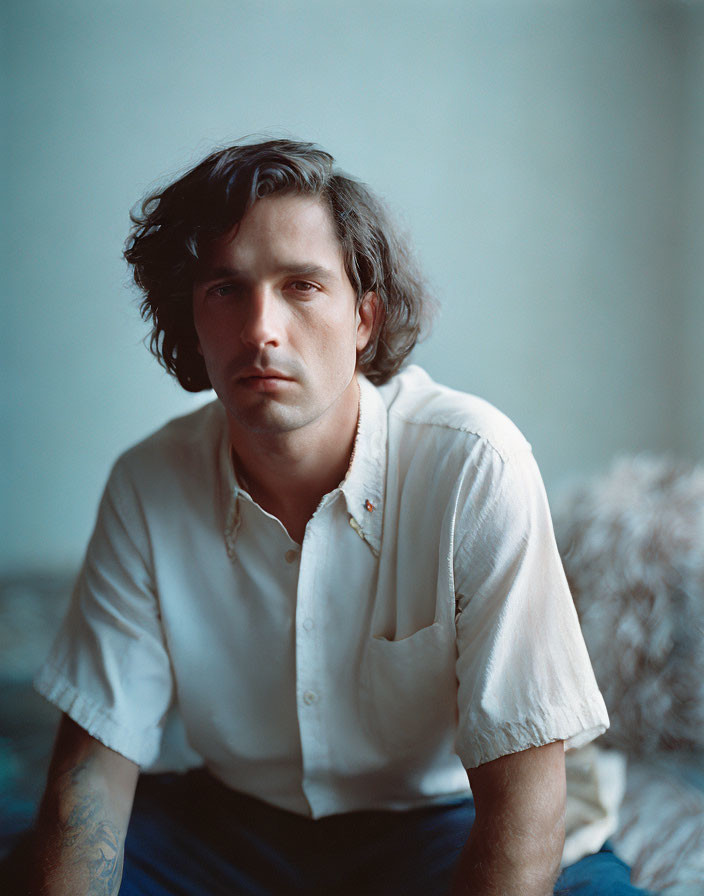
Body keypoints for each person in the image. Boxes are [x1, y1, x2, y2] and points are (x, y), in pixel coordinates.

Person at [13, 139, 647, 895]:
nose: (260, 331)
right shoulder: (148, 484)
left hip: (445, 815)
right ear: (192, 318)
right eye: (224, 289)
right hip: (233, 828)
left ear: (364, 320)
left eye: (301, 286)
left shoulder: (475, 464)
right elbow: (89, 776)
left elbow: (523, 793)